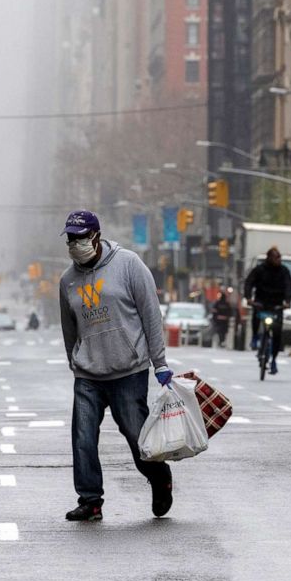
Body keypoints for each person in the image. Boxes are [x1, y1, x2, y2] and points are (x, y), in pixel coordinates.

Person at [58, 210, 174, 522]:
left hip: (129, 370)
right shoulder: (67, 280)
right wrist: (75, 361)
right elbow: (69, 328)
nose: (75, 243)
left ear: (96, 236)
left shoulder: (129, 264)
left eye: (80, 237)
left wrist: (159, 362)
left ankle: (160, 478)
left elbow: (151, 314)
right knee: (82, 438)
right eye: (70, 238)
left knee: (138, 438)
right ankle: (90, 500)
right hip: (88, 374)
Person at [243, 247, 291, 374]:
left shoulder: (284, 271)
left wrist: (287, 301)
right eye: (276, 257)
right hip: (261, 302)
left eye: (279, 257)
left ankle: (274, 360)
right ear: (269, 258)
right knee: (256, 316)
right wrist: (249, 298)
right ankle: (255, 337)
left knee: (277, 333)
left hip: (277, 305)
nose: (279, 260)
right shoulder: (259, 270)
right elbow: (249, 283)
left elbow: (288, 286)